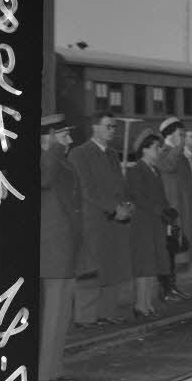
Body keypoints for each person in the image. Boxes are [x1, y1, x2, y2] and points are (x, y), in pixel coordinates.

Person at [69, 111, 134, 327]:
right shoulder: (79, 154)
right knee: (91, 268)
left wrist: (126, 205)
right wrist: (114, 208)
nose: (112, 130)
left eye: (114, 127)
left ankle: (106, 313)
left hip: (114, 220)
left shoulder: (113, 154)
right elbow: (86, 188)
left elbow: (120, 185)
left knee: (112, 266)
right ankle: (85, 317)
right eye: (108, 126)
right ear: (94, 127)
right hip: (93, 220)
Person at [39, 113, 82, 381]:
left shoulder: (60, 160)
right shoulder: (47, 159)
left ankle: (53, 369)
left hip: (65, 247)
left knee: (60, 314)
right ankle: (43, 373)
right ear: (49, 137)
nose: (70, 139)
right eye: (63, 135)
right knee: (51, 315)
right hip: (52, 250)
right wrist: (53, 148)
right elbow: (43, 180)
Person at [155, 116, 192, 301]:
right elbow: (168, 166)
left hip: (181, 209)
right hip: (170, 212)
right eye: (179, 134)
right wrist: (178, 147)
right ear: (170, 135)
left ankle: (172, 287)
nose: (183, 138)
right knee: (168, 252)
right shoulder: (163, 152)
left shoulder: (178, 153)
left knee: (174, 251)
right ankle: (166, 290)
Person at [127, 130, 172, 319]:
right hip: (143, 224)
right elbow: (138, 197)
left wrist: (168, 213)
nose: (159, 151)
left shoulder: (155, 170)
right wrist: (159, 211)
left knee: (152, 264)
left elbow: (161, 197)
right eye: (155, 148)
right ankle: (140, 304)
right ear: (144, 150)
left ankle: (147, 303)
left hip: (154, 223)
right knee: (144, 265)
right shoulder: (137, 170)